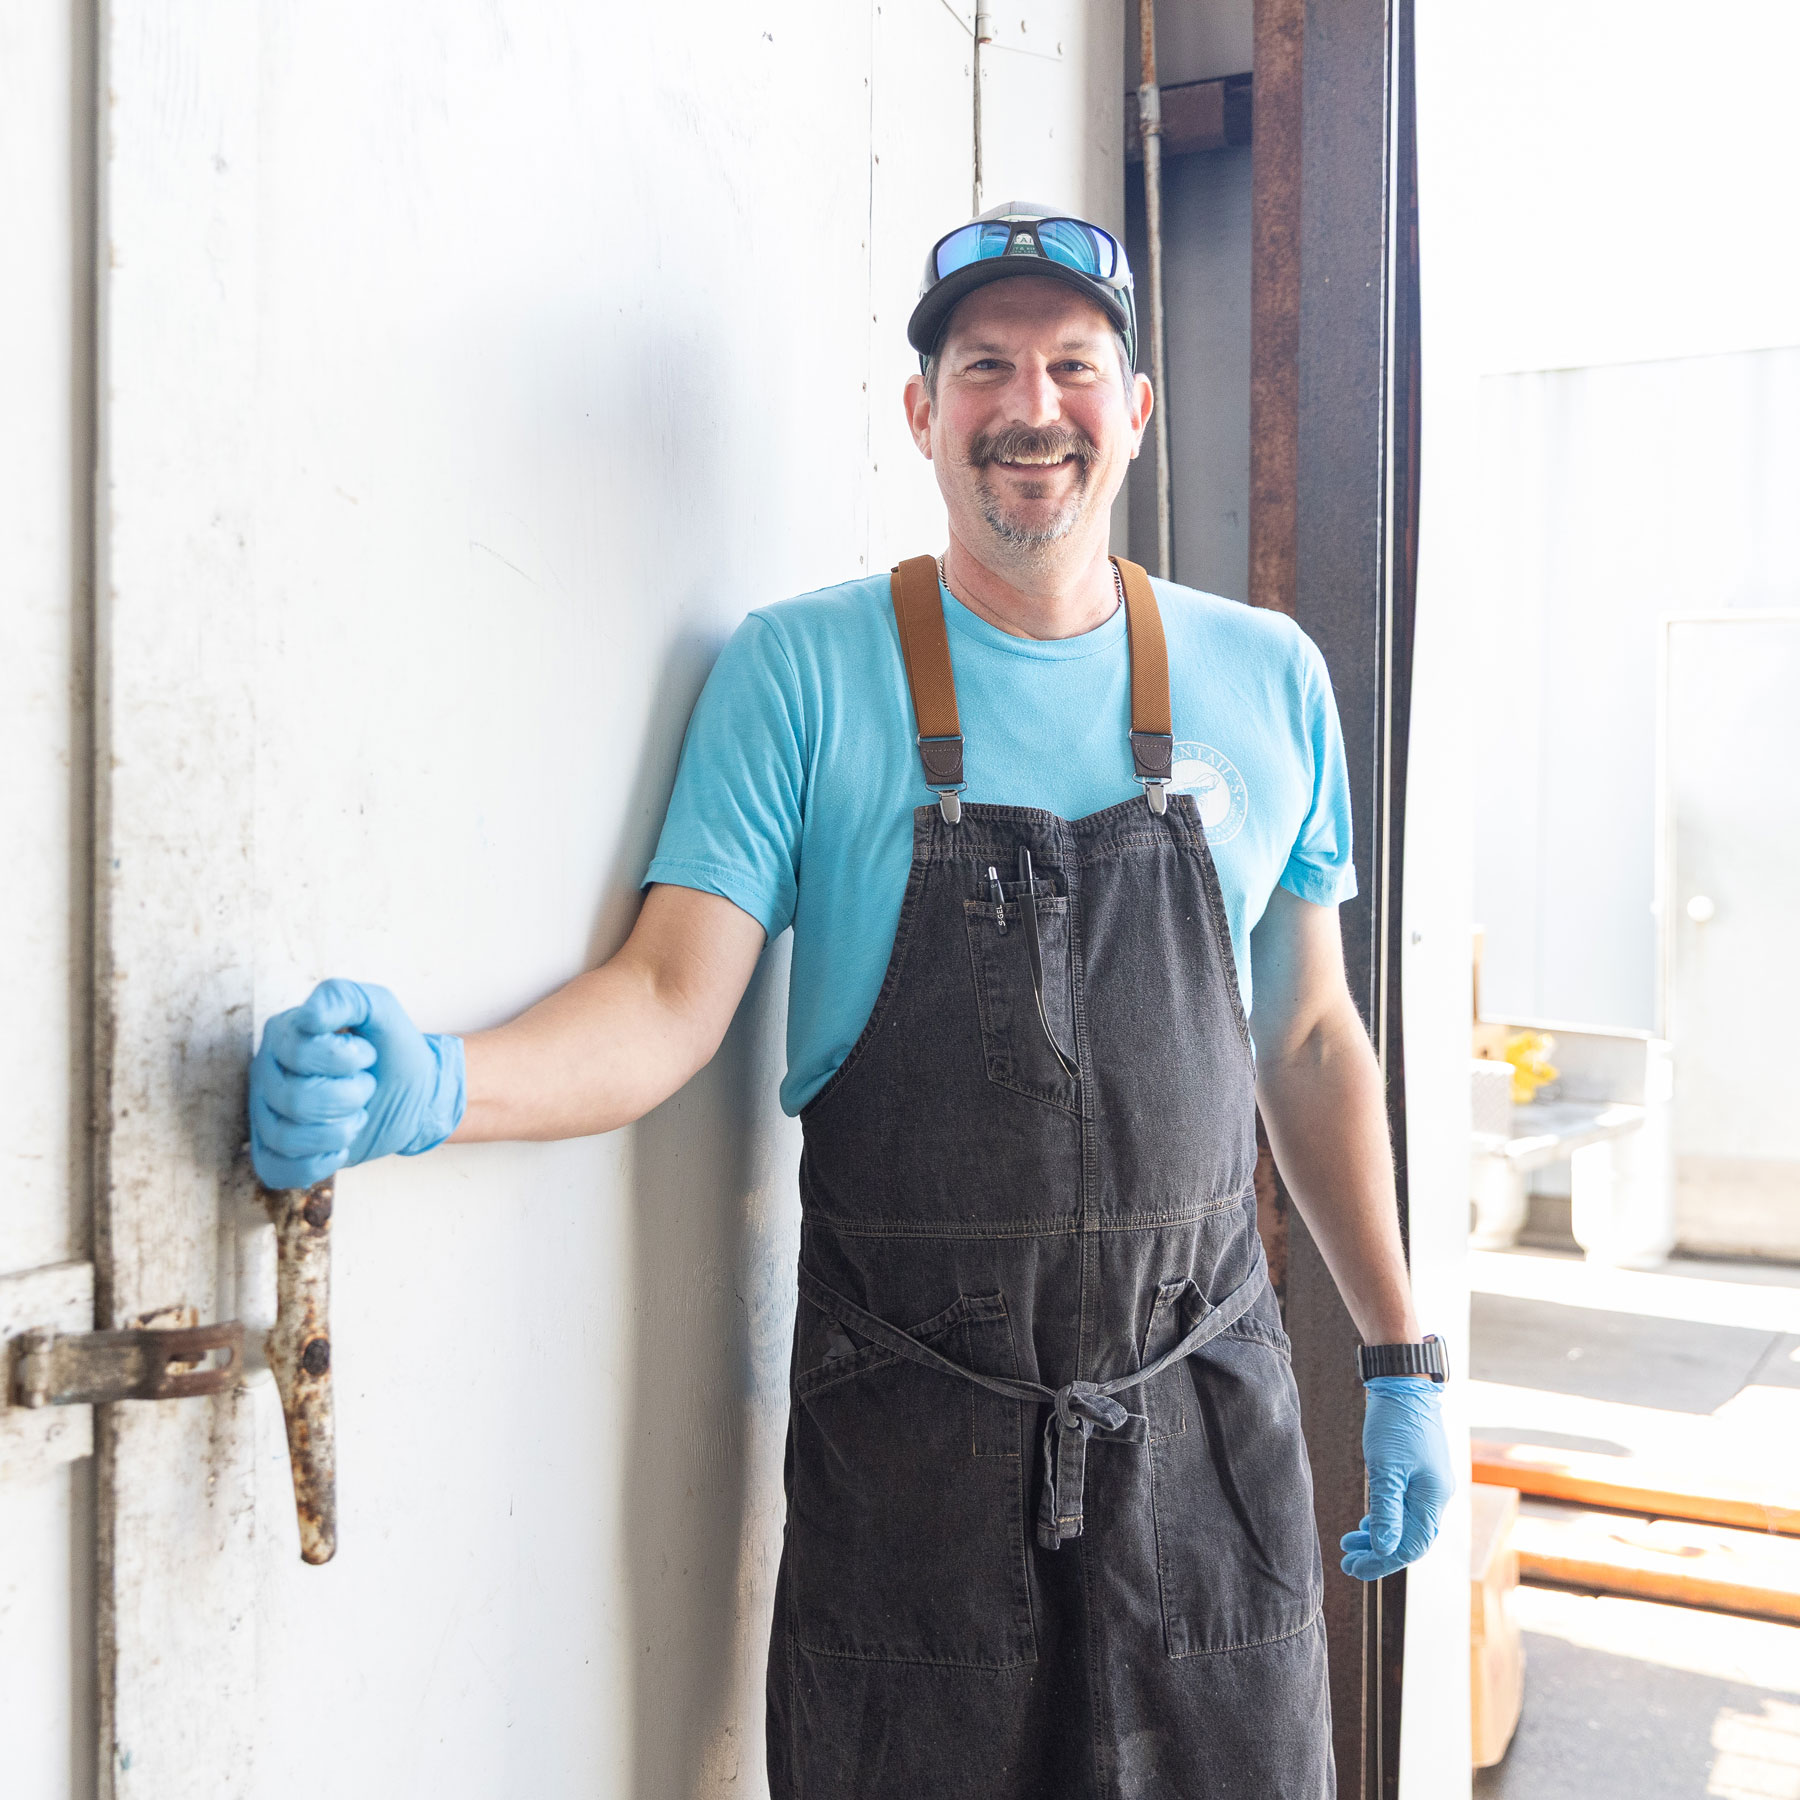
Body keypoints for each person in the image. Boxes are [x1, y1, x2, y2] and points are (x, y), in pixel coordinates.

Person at [249, 201, 1452, 1800]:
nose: (1034, 409)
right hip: (913, 1473)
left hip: (1205, 1441)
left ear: (1136, 410)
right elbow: (669, 1001)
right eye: (987, 369)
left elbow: (1308, 1039)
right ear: (925, 413)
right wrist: (435, 1086)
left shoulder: (1270, 675)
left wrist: (1399, 1354)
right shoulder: (801, 674)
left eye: (1076, 367)